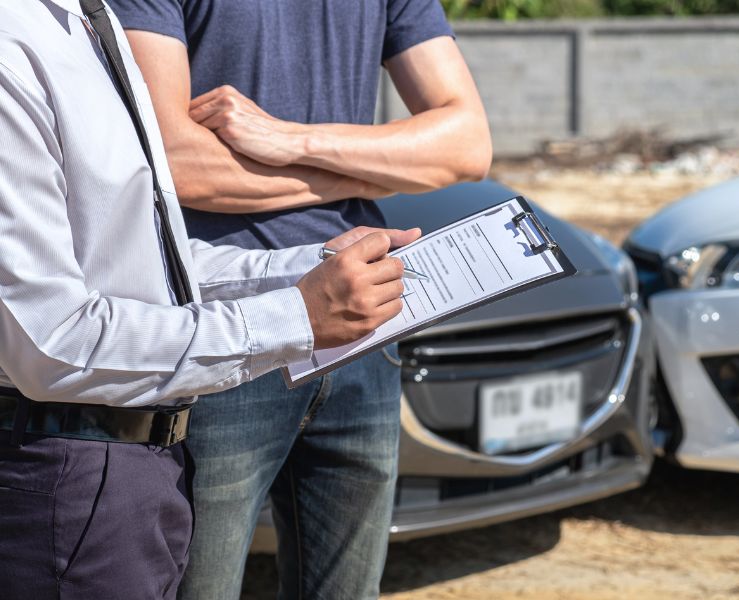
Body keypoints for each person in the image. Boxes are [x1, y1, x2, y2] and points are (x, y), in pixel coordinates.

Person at [0, 1, 417, 599]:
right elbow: (54, 342)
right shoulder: (12, 46)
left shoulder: (89, 21)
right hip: (63, 472)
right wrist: (296, 315)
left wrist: (305, 269)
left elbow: (145, 264)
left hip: (139, 469)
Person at [108, 1, 492, 598]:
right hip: (225, 325)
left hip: (367, 320)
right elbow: (173, 163)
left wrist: (290, 140)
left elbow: (465, 146)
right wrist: (377, 169)